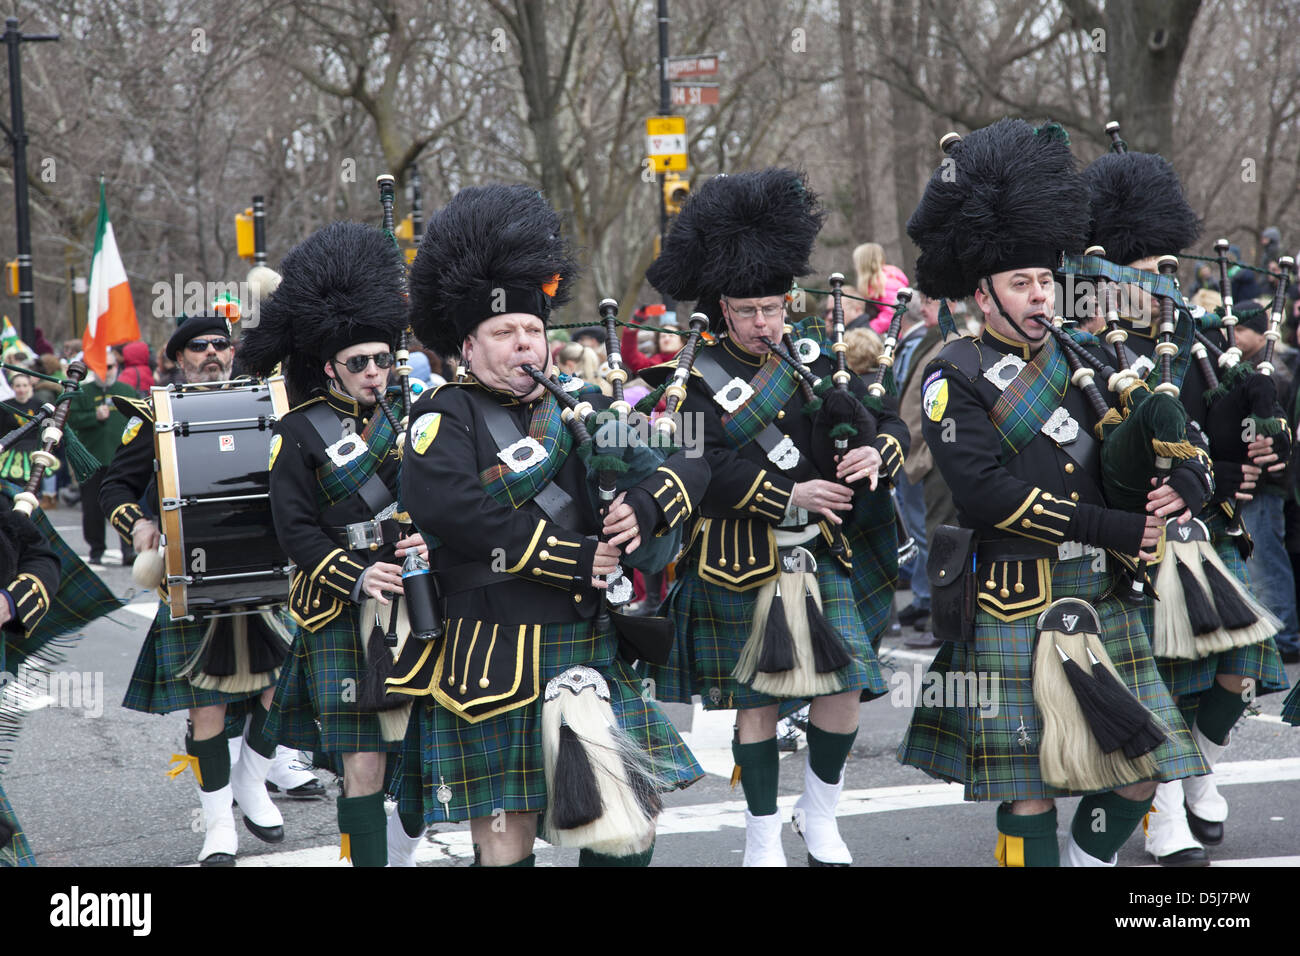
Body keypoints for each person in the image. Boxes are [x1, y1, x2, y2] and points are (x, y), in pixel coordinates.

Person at [896, 119, 1208, 867]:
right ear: (983, 293)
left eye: (1044, 281)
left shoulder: (1092, 355)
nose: (1038, 296)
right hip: (1012, 592)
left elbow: (1168, 432)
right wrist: (1110, 525)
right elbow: (983, 492)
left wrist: (1188, 478)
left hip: (1100, 590)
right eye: (1020, 284)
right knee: (1027, 786)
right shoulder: (955, 373)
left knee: (1144, 769)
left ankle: (1085, 858)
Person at [391, 183, 709, 867]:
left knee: (627, 834)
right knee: (504, 849)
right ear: (467, 348)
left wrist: (646, 507)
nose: (522, 344)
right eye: (503, 334)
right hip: (491, 653)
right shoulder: (443, 417)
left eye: (532, 330)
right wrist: (573, 556)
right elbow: (456, 513)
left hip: (583, 649)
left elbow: (688, 464)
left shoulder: (583, 410)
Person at [642, 168, 904, 867]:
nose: (765, 324)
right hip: (737, 555)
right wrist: (788, 495)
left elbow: (889, 420)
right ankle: (759, 833)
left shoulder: (817, 360)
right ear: (721, 308)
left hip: (817, 553)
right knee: (757, 705)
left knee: (845, 686)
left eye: (774, 308)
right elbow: (707, 469)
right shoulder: (690, 379)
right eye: (749, 311)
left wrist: (876, 454)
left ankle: (819, 814)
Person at [1080, 148, 1291, 864]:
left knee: (1240, 671)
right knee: (1159, 683)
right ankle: (1163, 813)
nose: (1164, 283)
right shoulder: (1083, 351)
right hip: (1134, 537)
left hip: (1206, 531)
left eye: (1171, 267)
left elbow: (1222, 439)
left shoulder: (1198, 344)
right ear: (1107, 276)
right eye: (1147, 272)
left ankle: (1199, 763)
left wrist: (1264, 444)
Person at [238, 221, 419, 867]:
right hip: (341, 603)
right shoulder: (298, 431)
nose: (374, 372)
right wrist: (354, 576)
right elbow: (295, 531)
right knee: (363, 762)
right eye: (359, 363)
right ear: (329, 367)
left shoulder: (407, 421)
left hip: (411, 591)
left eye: (382, 359)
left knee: (423, 755)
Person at [99, 313, 291, 865]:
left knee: (281, 691)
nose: (213, 353)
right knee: (206, 710)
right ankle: (217, 828)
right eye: (199, 347)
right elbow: (115, 485)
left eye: (221, 345)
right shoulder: (152, 412)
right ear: (177, 358)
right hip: (191, 573)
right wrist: (136, 522)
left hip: (264, 571)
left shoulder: (266, 404)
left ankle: (252, 781)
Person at [65, 351, 137, 566]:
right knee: (92, 507)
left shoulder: (126, 391)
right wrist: (94, 416)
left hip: (121, 458)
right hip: (91, 459)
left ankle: (129, 547)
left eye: (111, 367)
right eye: (101, 367)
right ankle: (96, 548)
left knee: (126, 503)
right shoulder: (83, 392)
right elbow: (71, 420)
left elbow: (141, 419)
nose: (106, 372)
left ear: (117, 367)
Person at [853, 242, 910, 334]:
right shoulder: (880, 281)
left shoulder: (883, 284)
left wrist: (868, 329)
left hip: (896, 334)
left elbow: (892, 312)